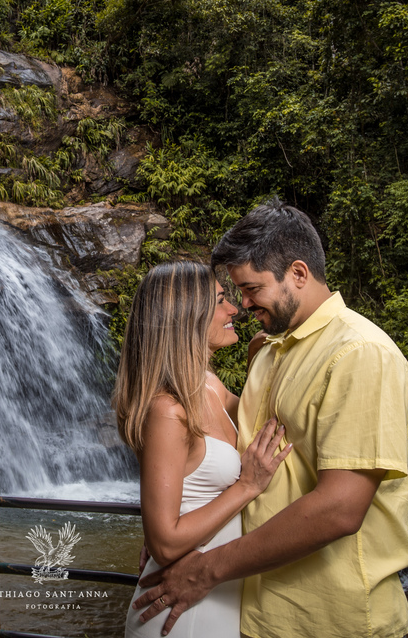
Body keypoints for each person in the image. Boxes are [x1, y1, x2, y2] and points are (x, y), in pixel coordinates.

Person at [133, 199, 408, 638]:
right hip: (251, 610)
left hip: (328, 620)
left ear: (298, 274)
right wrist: (171, 532)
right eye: (236, 293)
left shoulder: (359, 354)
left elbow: (340, 509)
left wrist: (206, 568)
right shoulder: (267, 350)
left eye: (251, 289)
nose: (242, 305)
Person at [113, 260, 292, 638]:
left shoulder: (209, 384)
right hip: (178, 614)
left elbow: (264, 419)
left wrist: (262, 355)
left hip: (216, 597)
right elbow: (164, 543)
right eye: (221, 300)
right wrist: (246, 486)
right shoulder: (168, 410)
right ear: (186, 316)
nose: (234, 309)